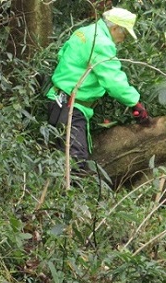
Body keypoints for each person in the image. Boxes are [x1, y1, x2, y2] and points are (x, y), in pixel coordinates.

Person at [45, 7, 150, 171]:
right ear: (114, 28)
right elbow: (113, 80)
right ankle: (70, 195)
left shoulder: (85, 32)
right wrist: (135, 103)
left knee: (61, 159)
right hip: (71, 108)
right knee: (75, 164)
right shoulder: (102, 43)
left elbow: (62, 54)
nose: (123, 40)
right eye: (124, 34)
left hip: (57, 102)